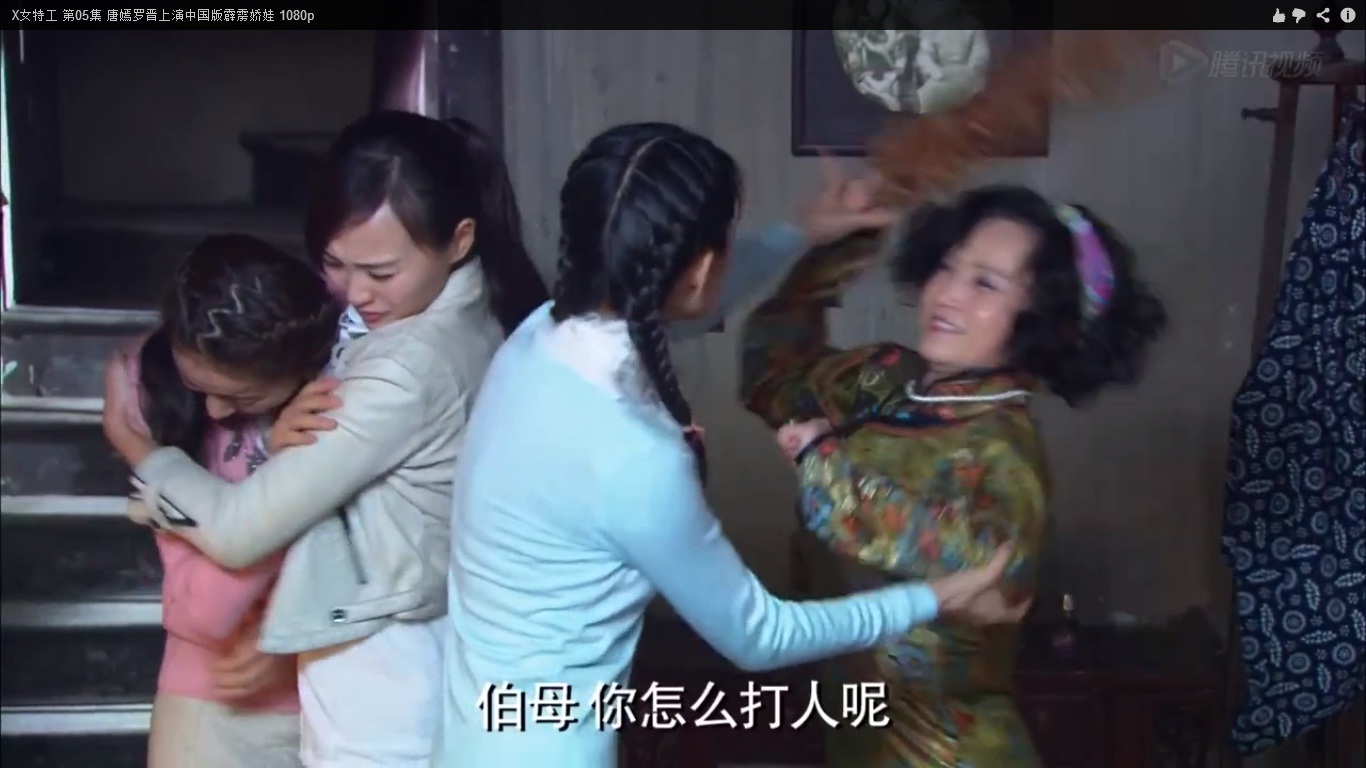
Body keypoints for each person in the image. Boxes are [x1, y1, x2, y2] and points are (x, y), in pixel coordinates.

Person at [433, 122, 1031, 767]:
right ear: (696, 271)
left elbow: (673, 303)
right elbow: (759, 635)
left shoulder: (535, 341)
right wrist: (936, 597)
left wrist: (802, 233)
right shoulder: (635, 454)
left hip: (471, 734)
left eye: (986, 283)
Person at [101, 110, 549, 767]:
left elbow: (239, 531)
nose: (354, 293)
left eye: (381, 272)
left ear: (459, 241)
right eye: (335, 263)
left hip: (381, 690)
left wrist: (138, 449)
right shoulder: (470, 319)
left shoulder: (404, 367)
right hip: (405, 667)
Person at [740, 183, 1168, 767]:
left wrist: (827, 468)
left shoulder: (1004, 450)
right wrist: (841, 247)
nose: (947, 293)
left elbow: (986, 579)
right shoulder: (884, 378)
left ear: (1040, 318)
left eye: (985, 283)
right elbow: (770, 375)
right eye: (947, 266)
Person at [101, 234, 341, 768]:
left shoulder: (332, 400)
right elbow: (206, 609)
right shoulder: (161, 402)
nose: (213, 411)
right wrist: (283, 478)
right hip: (212, 712)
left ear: (301, 369)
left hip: (332, 696)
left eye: (241, 396)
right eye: (199, 386)